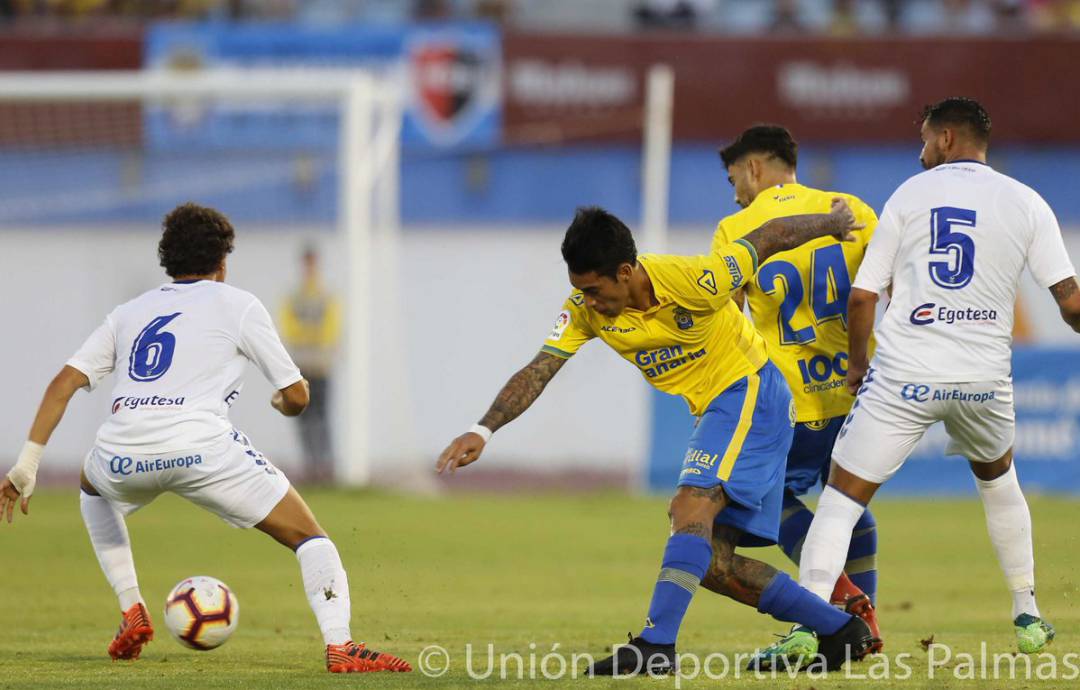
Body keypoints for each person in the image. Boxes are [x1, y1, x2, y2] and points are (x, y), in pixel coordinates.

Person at [437, 202, 877, 676]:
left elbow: (767, 236)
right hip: (719, 407)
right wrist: (483, 428)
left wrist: (833, 224)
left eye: (593, 289)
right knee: (713, 565)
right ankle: (839, 631)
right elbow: (541, 367)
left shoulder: (695, 279)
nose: (587, 300)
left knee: (690, 507)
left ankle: (655, 646)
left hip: (750, 390)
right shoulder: (585, 311)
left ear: (626, 272)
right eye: (578, 290)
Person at [0, 203, 410, 674]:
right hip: (201, 448)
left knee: (91, 488)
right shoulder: (238, 304)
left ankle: (131, 607)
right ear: (223, 262)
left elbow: (64, 382)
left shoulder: (129, 313)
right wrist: (282, 404)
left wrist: (26, 465)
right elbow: (297, 395)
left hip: (121, 452)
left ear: (167, 260)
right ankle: (340, 646)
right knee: (310, 538)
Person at [794, 97, 1079, 658]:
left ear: (947, 138)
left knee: (840, 498)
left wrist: (856, 366)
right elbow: (1070, 304)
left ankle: (807, 622)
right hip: (983, 381)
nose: (921, 152)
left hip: (905, 374)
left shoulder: (908, 194)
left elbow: (861, 297)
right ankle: (1027, 613)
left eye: (925, 139)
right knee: (1000, 481)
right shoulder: (1027, 202)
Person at [710, 125, 883, 662]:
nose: (735, 189)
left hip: (790, 402)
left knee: (737, 514)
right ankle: (851, 635)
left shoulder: (735, 227)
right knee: (848, 509)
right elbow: (881, 293)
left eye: (735, 176)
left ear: (756, 168)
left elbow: (726, 321)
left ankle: (837, 613)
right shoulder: (853, 209)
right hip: (857, 396)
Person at [278, 247, 341, 483]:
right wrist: (309, 335)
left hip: (321, 365)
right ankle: (310, 467)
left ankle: (325, 467)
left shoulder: (326, 296)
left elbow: (331, 329)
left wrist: (311, 335)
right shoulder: (294, 297)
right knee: (304, 419)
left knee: (322, 418)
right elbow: (288, 327)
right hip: (300, 367)